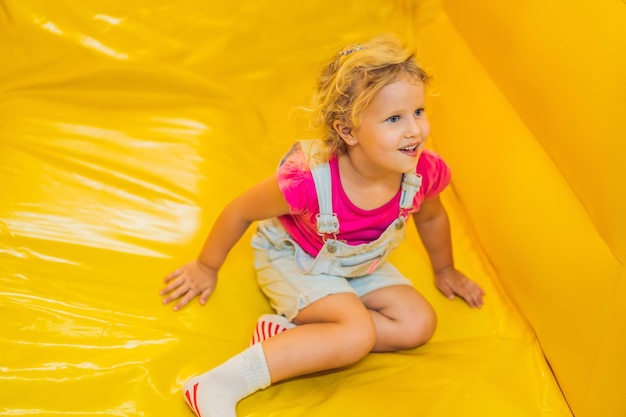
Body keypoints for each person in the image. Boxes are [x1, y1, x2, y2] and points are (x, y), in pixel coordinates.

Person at [160, 34, 485, 417]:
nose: (414, 130)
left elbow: (431, 216)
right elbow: (240, 211)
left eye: (418, 112)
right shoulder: (308, 181)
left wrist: (444, 268)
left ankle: (298, 338)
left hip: (360, 265)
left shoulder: (423, 171)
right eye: (394, 119)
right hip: (295, 261)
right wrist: (205, 266)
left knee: (418, 324)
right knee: (356, 335)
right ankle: (218, 383)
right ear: (347, 131)